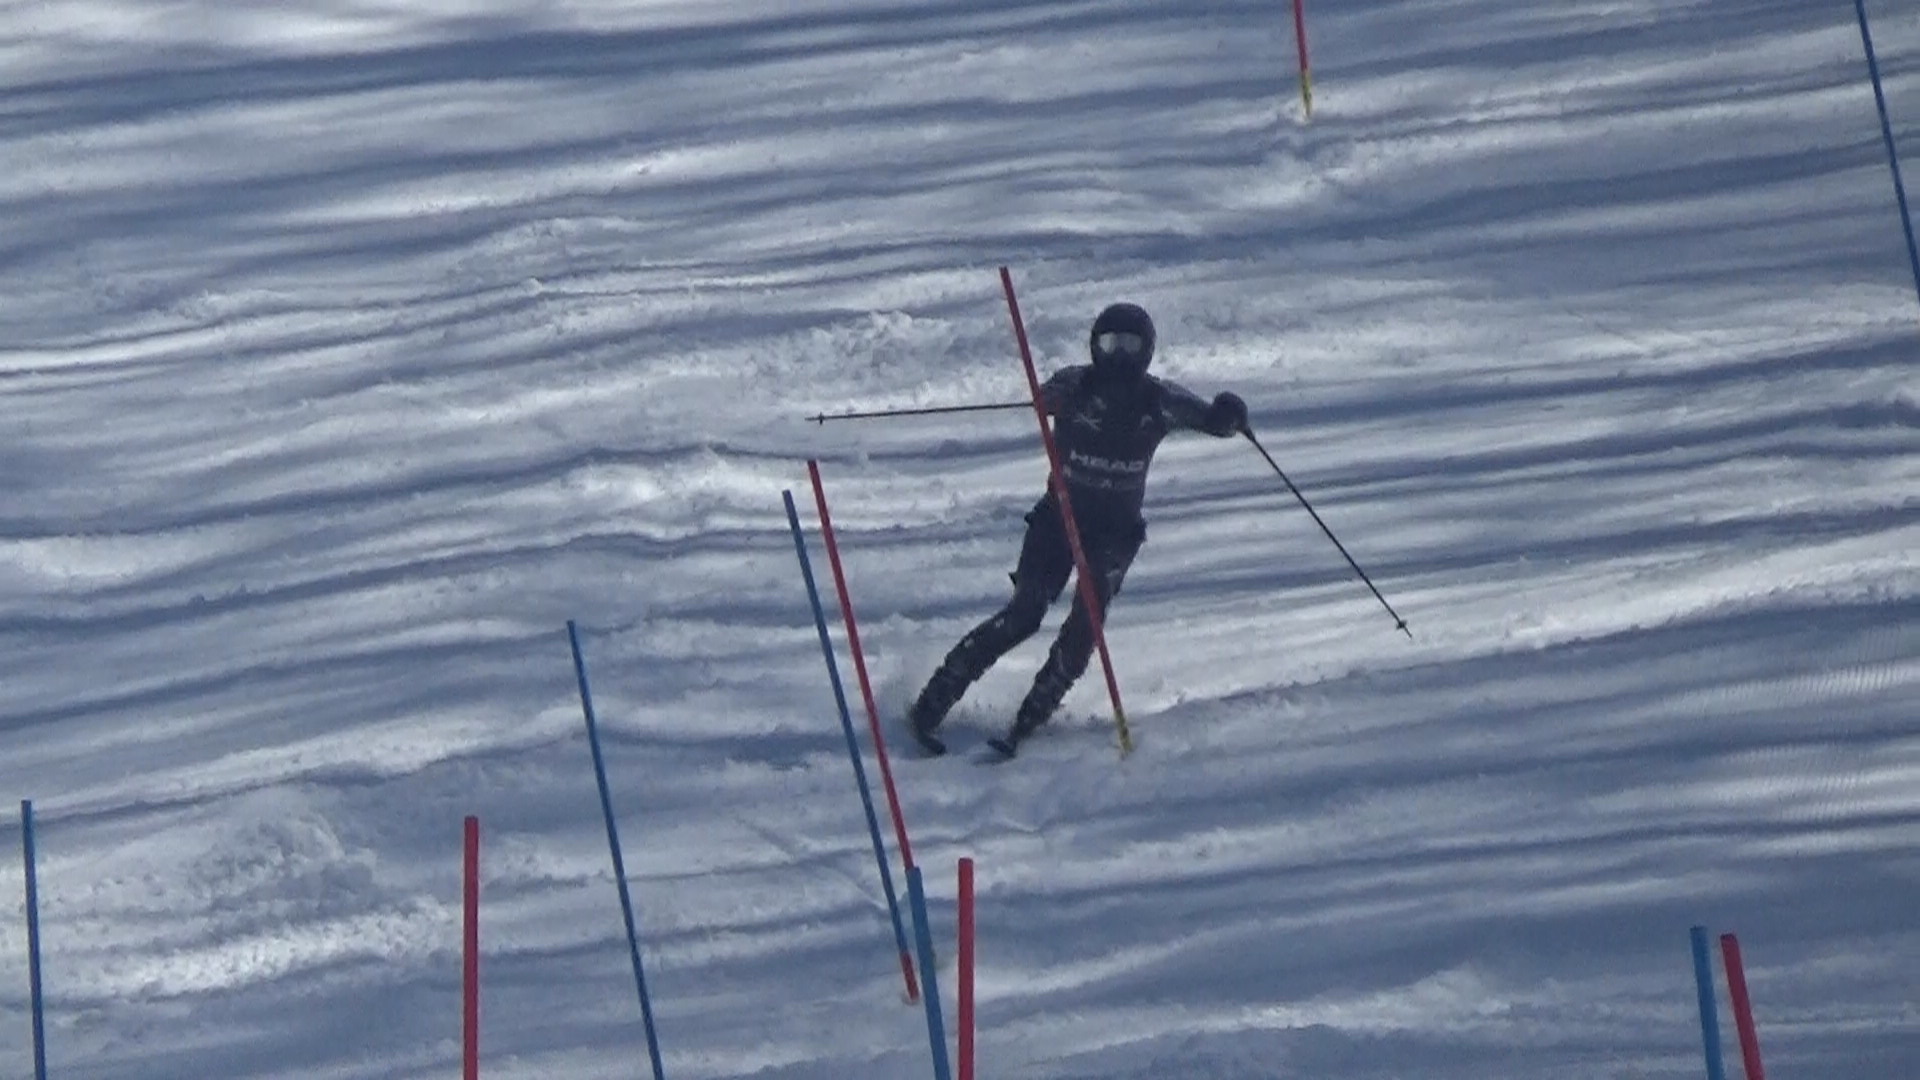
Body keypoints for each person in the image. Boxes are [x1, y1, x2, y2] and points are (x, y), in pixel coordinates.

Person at [908, 301, 1249, 758]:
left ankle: (1032, 715)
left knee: (1084, 625)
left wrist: (1229, 415)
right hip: (1057, 522)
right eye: (1110, 344)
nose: (1119, 355)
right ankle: (933, 702)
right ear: (1094, 345)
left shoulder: (1159, 400)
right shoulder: (1077, 383)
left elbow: (1210, 420)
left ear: (1147, 350)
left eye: (1129, 345)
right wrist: (1053, 401)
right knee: (1025, 613)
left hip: (1114, 534)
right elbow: (1046, 394)